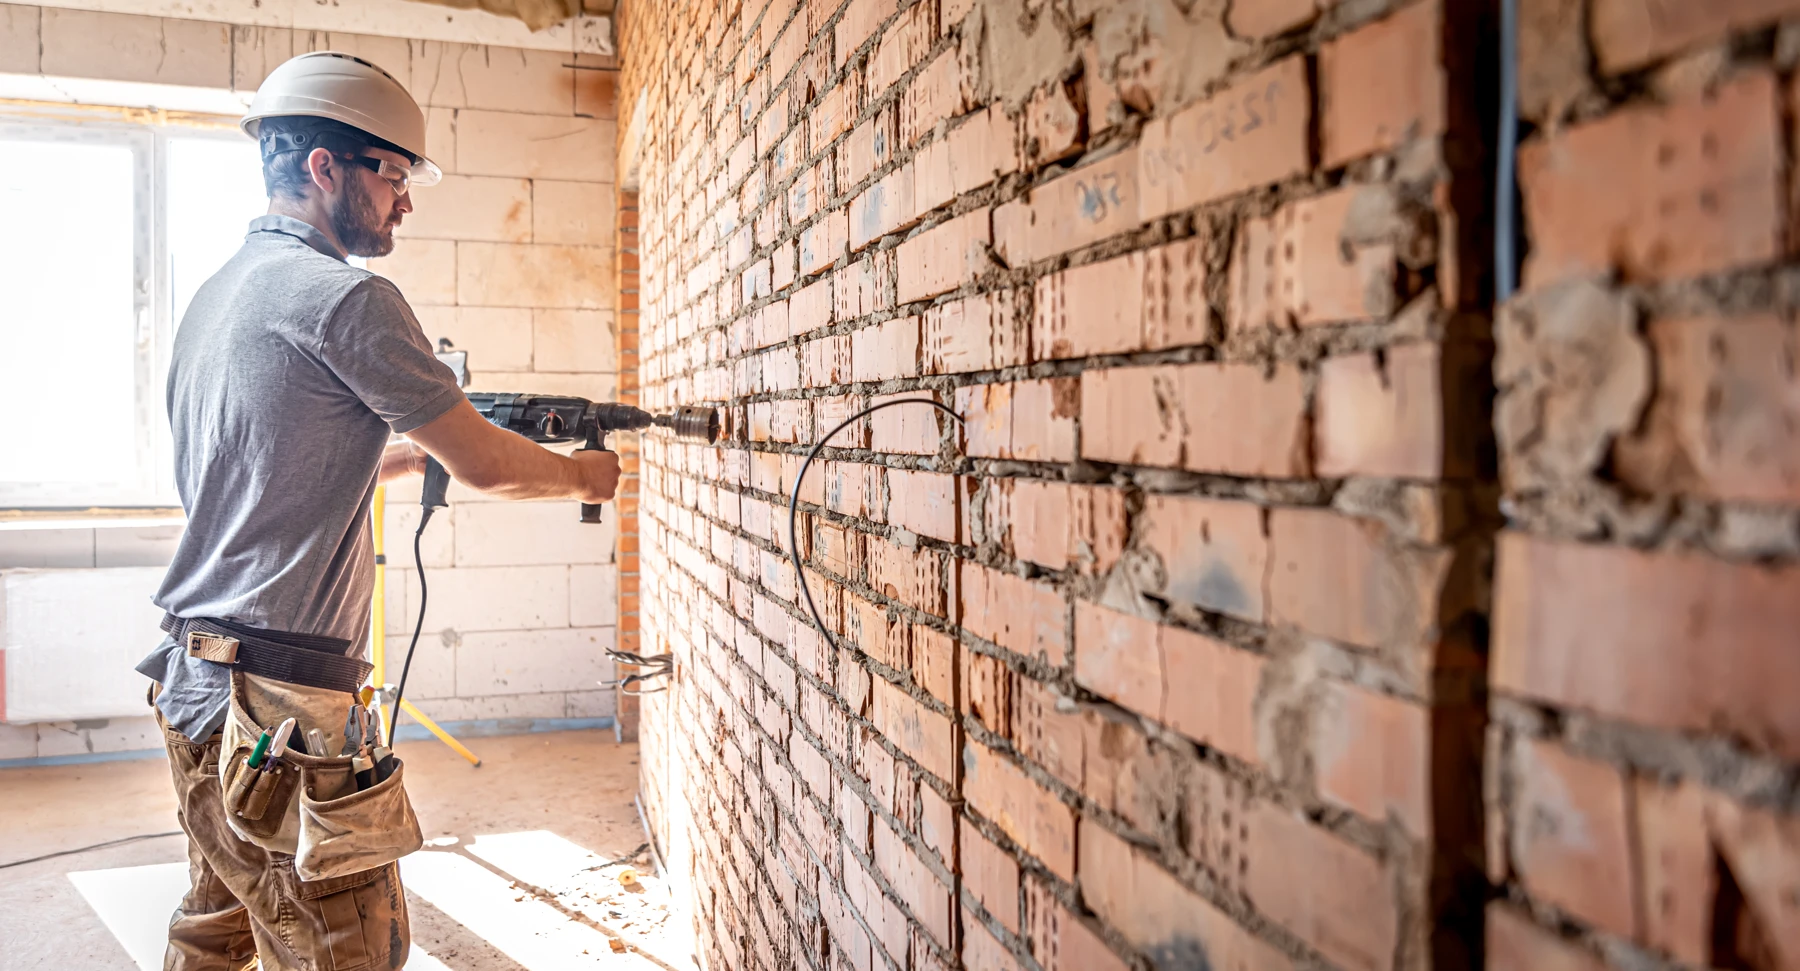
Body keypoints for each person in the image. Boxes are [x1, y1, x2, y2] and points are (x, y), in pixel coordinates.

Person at [133, 51, 620, 970]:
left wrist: (398, 458)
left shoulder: (217, 295)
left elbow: (267, 467)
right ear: (326, 167)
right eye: (394, 175)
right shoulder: (350, 297)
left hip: (194, 687)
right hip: (282, 717)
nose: (405, 202)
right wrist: (586, 477)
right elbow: (487, 464)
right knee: (346, 951)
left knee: (217, 926)